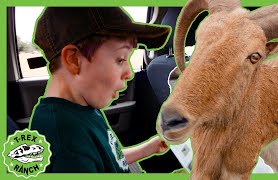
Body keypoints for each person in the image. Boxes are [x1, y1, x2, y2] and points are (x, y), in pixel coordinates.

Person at [29, 7, 171, 173]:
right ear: (74, 60)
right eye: (120, 59)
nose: (130, 73)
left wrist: (149, 148)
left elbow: (108, 159)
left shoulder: (82, 108)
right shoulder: (67, 146)